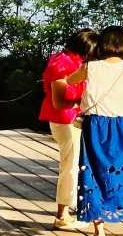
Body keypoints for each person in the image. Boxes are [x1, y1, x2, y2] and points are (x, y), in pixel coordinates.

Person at [64, 26, 123, 236]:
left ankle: (100, 230)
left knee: (94, 174)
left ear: (103, 44)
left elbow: (69, 81)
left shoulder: (89, 67)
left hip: (96, 126)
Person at [40, 28, 98, 231]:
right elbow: (59, 101)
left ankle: (69, 209)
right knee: (70, 165)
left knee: (73, 164)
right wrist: (83, 104)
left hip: (69, 119)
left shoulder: (66, 59)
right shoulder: (63, 64)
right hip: (65, 120)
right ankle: (62, 216)